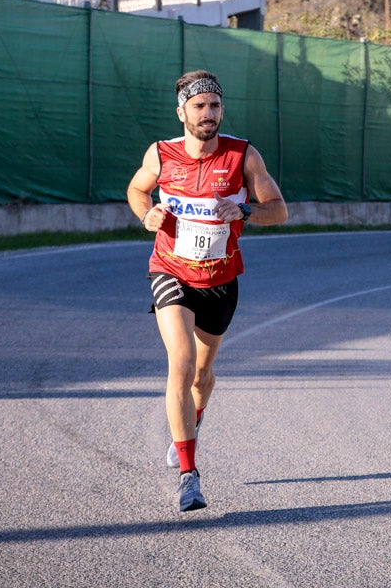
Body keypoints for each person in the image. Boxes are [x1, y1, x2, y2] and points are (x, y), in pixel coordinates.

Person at [127, 69, 288, 512]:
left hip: (220, 279)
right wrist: (147, 216)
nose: (208, 114)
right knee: (179, 362)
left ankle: (190, 423)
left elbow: (280, 211)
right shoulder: (161, 154)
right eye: (199, 107)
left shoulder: (242, 156)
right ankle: (188, 475)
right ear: (181, 112)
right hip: (170, 270)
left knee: (201, 374)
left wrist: (245, 211)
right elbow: (137, 190)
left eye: (215, 106)